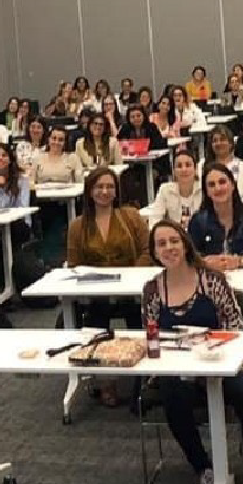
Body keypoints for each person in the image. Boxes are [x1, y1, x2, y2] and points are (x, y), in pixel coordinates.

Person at [142, 219, 243, 484]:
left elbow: (235, 328)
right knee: (173, 400)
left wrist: (210, 350)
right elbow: (152, 337)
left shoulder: (212, 280)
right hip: (178, 370)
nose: (169, 248)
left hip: (225, 363)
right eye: (161, 244)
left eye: (174, 241)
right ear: (154, 252)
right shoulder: (153, 291)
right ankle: (202, 466)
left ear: (185, 244)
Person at [66, 167, 151, 406]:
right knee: (96, 322)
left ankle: (141, 380)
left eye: (110, 186)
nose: (105, 191)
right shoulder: (77, 226)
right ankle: (105, 380)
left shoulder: (131, 216)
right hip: (96, 292)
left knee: (137, 322)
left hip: (132, 288)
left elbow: (147, 250)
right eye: (99, 187)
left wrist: (131, 276)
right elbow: (74, 264)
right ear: (90, 191)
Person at [187, 163, 243, 272]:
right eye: (211, 185)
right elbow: (189, 256)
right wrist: (205, 263)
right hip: (210, 280)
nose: (218, 188)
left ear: (232, 185)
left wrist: (240, 261)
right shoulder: (198, 221)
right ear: (206, 192)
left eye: (222, 182)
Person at [146, 147, 204, 228]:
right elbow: (155, 220)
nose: (184, 169)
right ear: (174, 171)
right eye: (179, 166)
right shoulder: (165, 190)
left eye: (188, 165)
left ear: (195, 169)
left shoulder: (204, 189)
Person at [205, 126, 243, 197]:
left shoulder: (242, 166)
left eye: (222, 139)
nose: (219, 143)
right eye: (215, 140)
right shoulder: (203, 166)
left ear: (230, 144)